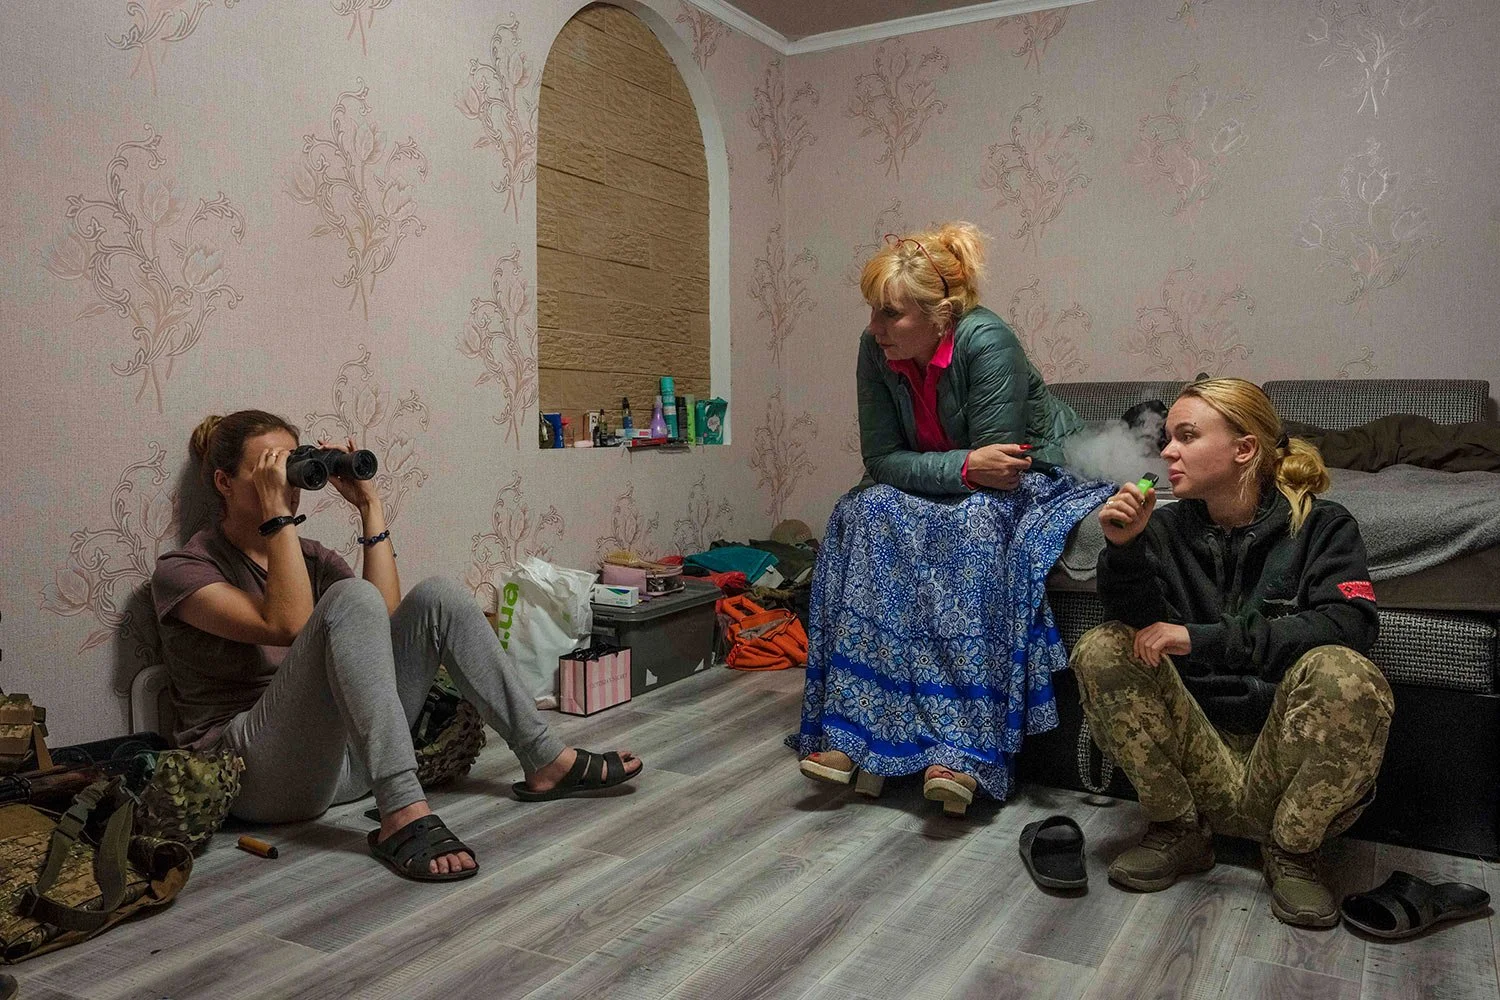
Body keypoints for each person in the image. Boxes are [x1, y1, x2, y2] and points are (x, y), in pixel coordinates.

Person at [151, 411, 642, 882]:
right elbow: (287, 622)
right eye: (268, 470)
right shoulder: (184, 570)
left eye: (291, 466)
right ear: (224, 483)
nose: (286, 483)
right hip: (256, 776)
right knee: (349, 596)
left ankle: (546, 759)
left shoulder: (311, 558)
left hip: (343, 765)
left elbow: (381, 623)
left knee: (438, 597)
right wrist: (277, 514)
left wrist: (370, 506)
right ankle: (402, 810)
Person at [788, 223, 1111, 814]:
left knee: (973, 524)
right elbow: (882, 459)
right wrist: (962, 466)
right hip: (959, 476)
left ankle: (963, 749)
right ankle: (855, 730)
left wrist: (963, 470)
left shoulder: (988, 341)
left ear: (941, 316)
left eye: (890, 314)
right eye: (873, 311)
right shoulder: (875, 350)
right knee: (863, 511)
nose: (874, 327)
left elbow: (1000, 470)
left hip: (1034, 471)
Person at [1071, 378, 1391, 928]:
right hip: (1196, 763)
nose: (1166, 452)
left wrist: (1202, 637)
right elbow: (1138, 627)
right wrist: (1124, 549)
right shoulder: (1164, 528)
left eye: (1186, 436)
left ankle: (1293, 852)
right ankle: (1177, 830)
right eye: (1166, 439)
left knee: (1345, 673)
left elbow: (1350, 623)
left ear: (1244, 449)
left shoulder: (1323, 525)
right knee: (1104, 647)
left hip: (1282, 768)